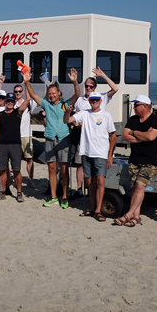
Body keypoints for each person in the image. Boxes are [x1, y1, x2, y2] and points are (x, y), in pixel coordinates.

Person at [23, 70, 76, 208]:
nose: (51, 95)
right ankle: (53, 197)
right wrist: (27, 81)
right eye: (50, 93)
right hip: (50, 138)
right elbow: (34, 95)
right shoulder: (46, 104)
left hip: (64, 138)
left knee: (64, 169)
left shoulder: (65, 104)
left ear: (59, 93)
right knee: (51, 169)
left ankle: (64, 196)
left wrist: (75, 82)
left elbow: (77, 95)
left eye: (54, 93)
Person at [64, 91, 116, 222]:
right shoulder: (85, 114)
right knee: (90, 182)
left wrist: (110, 155)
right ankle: (93, 209)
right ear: (89, 101)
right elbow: (67, 120)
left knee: (100, 181)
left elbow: (113, 135)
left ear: (100, 101)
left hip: (101, 154)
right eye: (92, 100)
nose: (94, 102)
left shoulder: (106, 115)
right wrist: (67, 111)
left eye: (97, 100)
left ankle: (98, 210)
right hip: (86, 153)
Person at [70, 67, 118, 198]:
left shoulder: (101, 97)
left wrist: (103, 75)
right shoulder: (80, 100)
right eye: (86, 86)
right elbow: (70, 111)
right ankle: (79, 190)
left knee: (99, 169)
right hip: (83, 136)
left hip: (100, 138)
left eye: (91, 86)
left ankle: (97, 191)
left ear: (95, 87)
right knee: (79, 164)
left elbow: (115, 89)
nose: (88, 88)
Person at [115, 95, 157, 227]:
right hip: (135, 159)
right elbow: (124, 136)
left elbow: (152, 136)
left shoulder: (156, 120)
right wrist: (142, 136)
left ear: (145, 106)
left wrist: (134, 132)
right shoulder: (133, 120)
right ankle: (136, 217)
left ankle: (128, 214)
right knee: (135, 189)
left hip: (151, 160)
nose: (134, 107)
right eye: (134, 105)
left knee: (140, 186)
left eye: (136, 105)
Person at [0, 78, 33, 202]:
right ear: (5, 102)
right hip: (3, 144)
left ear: (15, 102)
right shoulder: (0, 115)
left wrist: (26, 82)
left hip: (15, 144)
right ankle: (2, 192)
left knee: (16, 170)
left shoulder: (18, 112)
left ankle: (19, 192)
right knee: (2, 170)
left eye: (11, 101)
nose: (9, 102)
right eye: (8, 100)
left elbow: (28, 99)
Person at [12, 80, 38, 188]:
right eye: (16, 92)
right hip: (15, 135)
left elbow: (37, 99)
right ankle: (16, 179)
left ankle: (31, 180)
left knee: (29, 159)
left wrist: (26, 82)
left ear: (22, 92)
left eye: (19, 91)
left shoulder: (30, 103)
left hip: (26, 134)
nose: (17, 93)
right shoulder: (10, 103)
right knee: (15, 160)